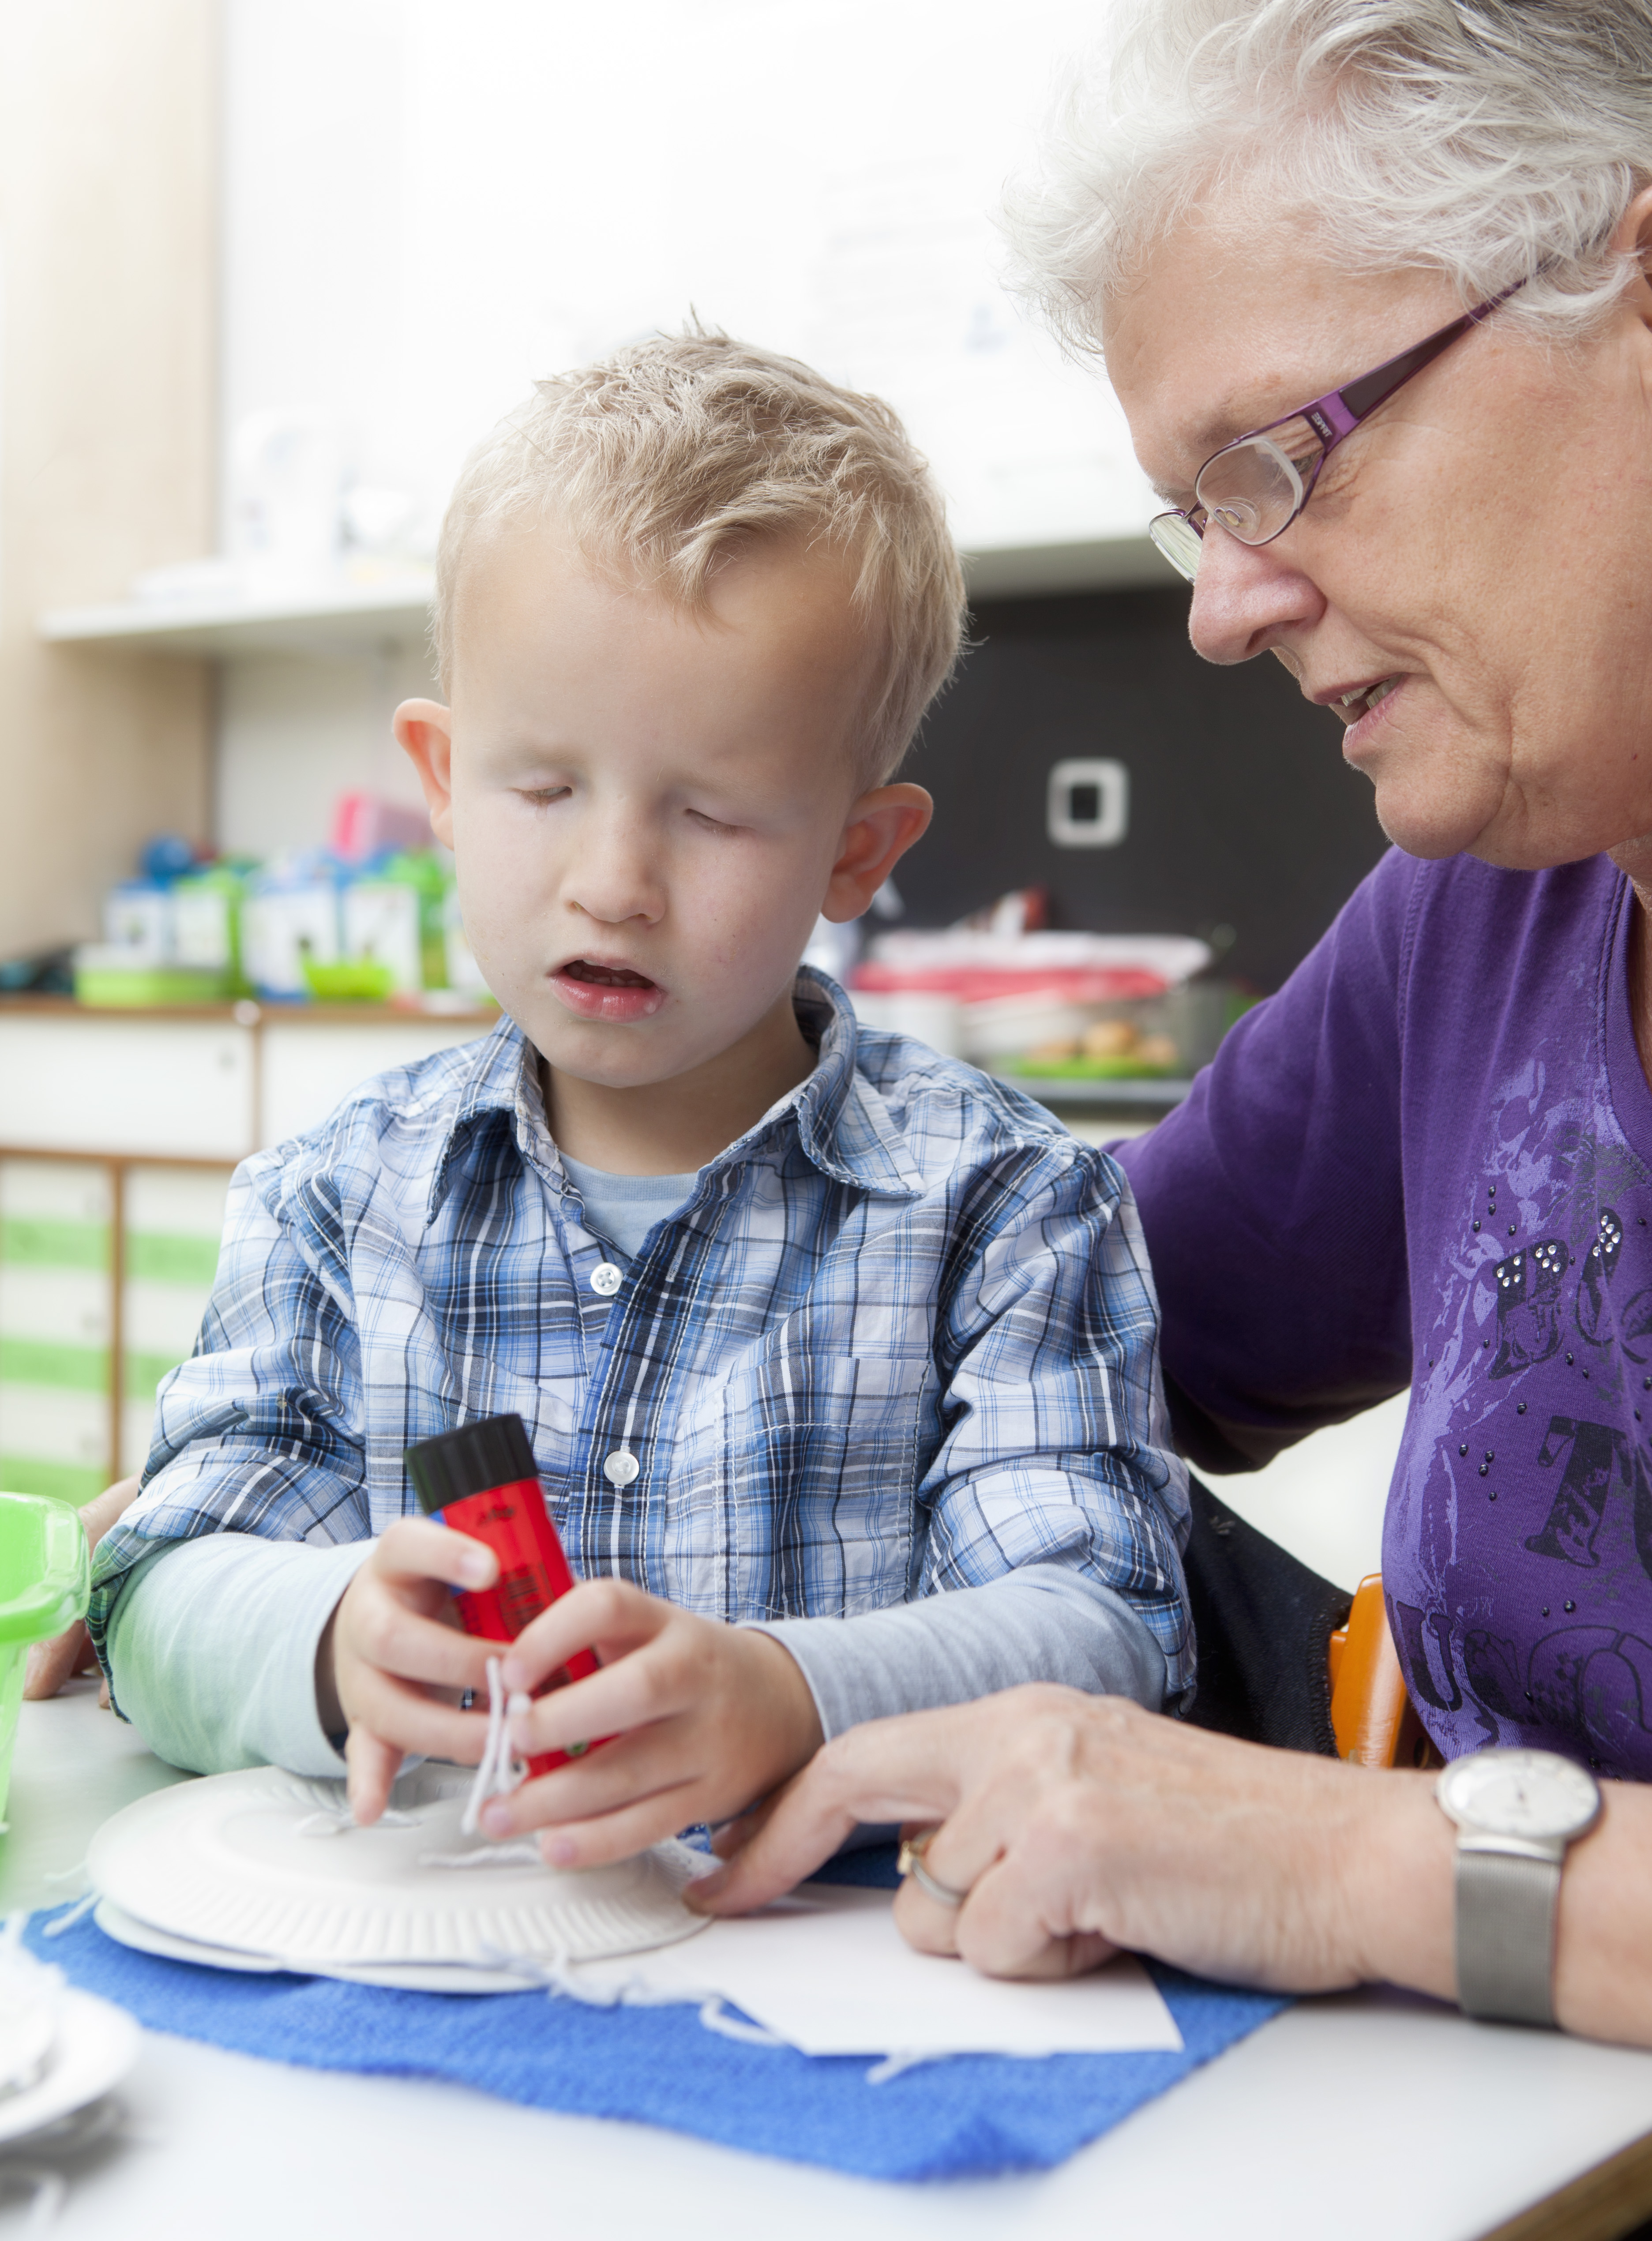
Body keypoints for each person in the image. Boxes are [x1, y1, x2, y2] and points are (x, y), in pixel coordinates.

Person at [689, 2, 1652, 2049]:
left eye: (1282, 457)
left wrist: (1340, 1859)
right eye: (1195, 513)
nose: (1224, 608)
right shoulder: (1491, 913)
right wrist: (322, 1476)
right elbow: (1020, 1327)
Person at [85, 331, 1190, 1857]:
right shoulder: (335, 1198)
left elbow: (1108, 1625)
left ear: (857, 852)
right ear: (443, 781)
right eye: (545, 789)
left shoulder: (1007, 1204)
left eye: (714, 814)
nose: (614, 883)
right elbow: (154, 1589)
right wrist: (327, 1638)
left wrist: (794, 1695)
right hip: (423, 1949)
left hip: (828, 1964)